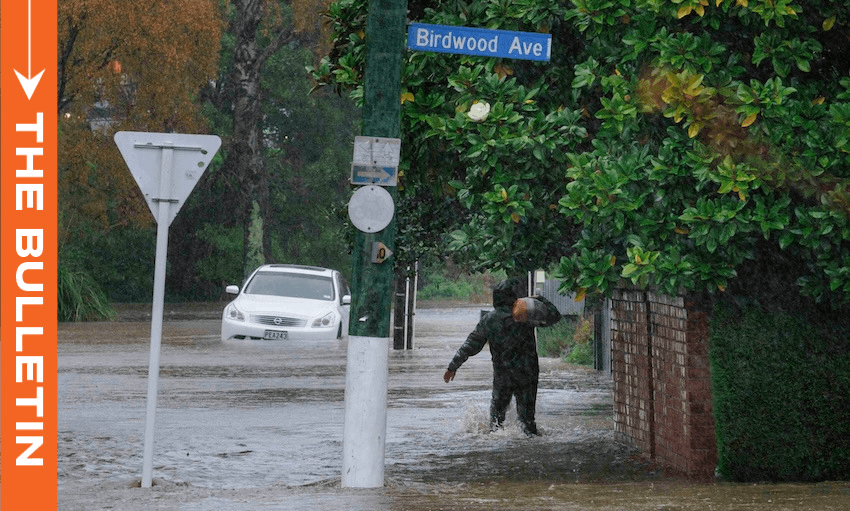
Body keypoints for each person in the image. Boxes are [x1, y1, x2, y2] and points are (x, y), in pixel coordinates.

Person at [443, 277, 561, 437]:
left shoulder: (489, 320)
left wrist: (453, 366)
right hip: (527, 374)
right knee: (528, 422)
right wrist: (538, 299)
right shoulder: (524, 314)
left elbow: (471, 344)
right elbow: (555, 316)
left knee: (496, 423)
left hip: (503, 375)